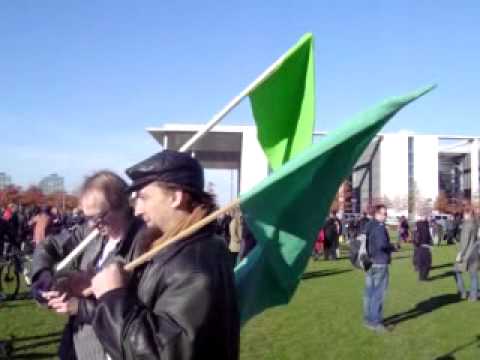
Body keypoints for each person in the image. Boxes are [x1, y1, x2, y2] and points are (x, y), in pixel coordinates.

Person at [88, 150, 240, 360]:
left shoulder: (194, 264)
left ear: (176, 197)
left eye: (143, 197)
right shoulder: (173, 247)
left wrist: (112, 298)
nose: (137, 209)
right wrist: (87, 297)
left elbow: (160, 353)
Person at [31, 170, 147, 360]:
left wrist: (80, 306)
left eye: (98, 217)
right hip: (76, 344)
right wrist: (42, 277)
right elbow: (49, 245)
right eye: (88, 217)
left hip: (107, 350)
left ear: (122, 206)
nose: (92, 224)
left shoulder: (142, 244)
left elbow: (136, 316)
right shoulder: (90, 233)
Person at [363, 204, 395, 333]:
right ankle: (375, 322)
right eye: (384, 213)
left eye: (386, 213)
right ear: (377, 214)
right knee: (378, 294)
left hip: (369, 262)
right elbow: (382, 245)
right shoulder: (380, 227)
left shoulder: (368, 224)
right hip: (380, 263)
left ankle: (368, 319)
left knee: (369, 293)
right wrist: (392, 247)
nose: (385, 216)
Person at [454, 207, 479, 301]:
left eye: (464, 214)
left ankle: (463, 293)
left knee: (456, 271)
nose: (463, 216)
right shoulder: (475, 223)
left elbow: (464, 241)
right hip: (475, 251)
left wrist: (460, 254)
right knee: (474, 276)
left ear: (467, 214)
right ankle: (473, 296)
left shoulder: (467, 224)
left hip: (467, 253)